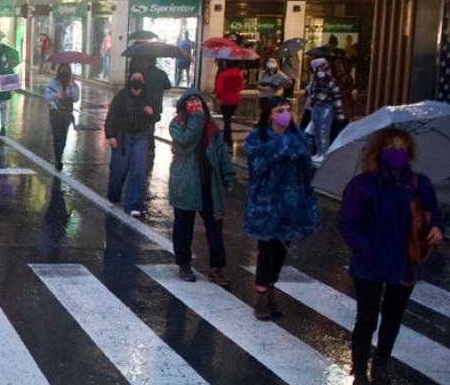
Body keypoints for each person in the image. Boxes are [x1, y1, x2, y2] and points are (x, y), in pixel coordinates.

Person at [338, 127, 443, 385]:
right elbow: (348, 223)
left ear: (409, 151)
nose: (397, 152)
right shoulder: (362, 185)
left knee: (393, 317)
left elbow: (434, 213)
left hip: (404, 262)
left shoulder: (419, 184)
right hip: (369, 264)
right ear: (379, 152)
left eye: (402, 147)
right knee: (367, 319)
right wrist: (367, 250)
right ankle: (359, 375)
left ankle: (380, 365)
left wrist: (436, 229)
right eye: (390, 147)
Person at [243, 97, 320, 320]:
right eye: (280, 110)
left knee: (281, 249)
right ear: (270, 115)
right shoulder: (257, 138)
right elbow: (257, 164)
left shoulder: (300, 138)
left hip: (291, 204)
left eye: (287, 109)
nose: (285, 113)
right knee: (267, 250)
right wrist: (280, 146)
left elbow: (308, 167)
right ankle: (261, 295)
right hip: (266, 205)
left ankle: (271, 288)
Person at [168, 89, 236, 285]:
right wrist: (197, 119)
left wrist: (228, 177)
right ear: (183, 105)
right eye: (190, 100)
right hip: (186, 183)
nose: (194, 103)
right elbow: (185, 141)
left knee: (215, 226)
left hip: (209, 183)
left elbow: (221, 152)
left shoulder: (211, 126)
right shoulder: (177, 124)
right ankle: (184, 263)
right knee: (183, 226)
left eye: (197, 99)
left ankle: (217, 267)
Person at [105, 71, 156, 217]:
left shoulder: (147, 98)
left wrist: (151, 112)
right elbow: (111, 117)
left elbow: (155, 116)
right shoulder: (121, 96)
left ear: (143, 82)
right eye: (134, 78)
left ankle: (133, 204)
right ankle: (113, 196)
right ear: (130, 80)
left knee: (138, 171)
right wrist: (111, 136)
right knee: (119, 169)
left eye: (140, 78)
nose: (137, 80)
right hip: (122, 136)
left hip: (140, 136)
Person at [306, 57, 344, 161]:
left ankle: (324, 153)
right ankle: (318, 152)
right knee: (316, 132)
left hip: (326, 108)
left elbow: (337, 98)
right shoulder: (315, 81)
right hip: (316, 107)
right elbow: (312, 94)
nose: (319, 72)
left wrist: (340, 114)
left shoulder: (331, 82)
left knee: (323, 132)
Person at [44, 63, 79, 171]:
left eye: (66, 70)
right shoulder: (54, 83)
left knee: (63, 138)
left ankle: (60, 153)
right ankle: (58, 159)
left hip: (67, 113)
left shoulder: (72, 84)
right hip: (55, 112)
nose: (64, 72)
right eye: (62, 70)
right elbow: (46, 95)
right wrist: (55, 95)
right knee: (57, 136)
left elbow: (76, 98)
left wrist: (72, 87)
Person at [132, 57, 171, 152]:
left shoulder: (143, 73)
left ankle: (148, 144)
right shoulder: (162, 73)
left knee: (145, 123)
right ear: (155, 62)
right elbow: (168, 86)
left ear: (146, 62)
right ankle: (149, 144)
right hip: (157, 103)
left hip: (145, 102)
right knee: (151, 123)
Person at [213, 60, 244, 144]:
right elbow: (241, 87)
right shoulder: (239, 74)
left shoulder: (223, 74)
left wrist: (219, 98)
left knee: (227, 121)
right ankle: (225, 139)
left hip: (225, 100)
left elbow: (219, 89)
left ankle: (229, 141)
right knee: (228, 120)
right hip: (235, 100)